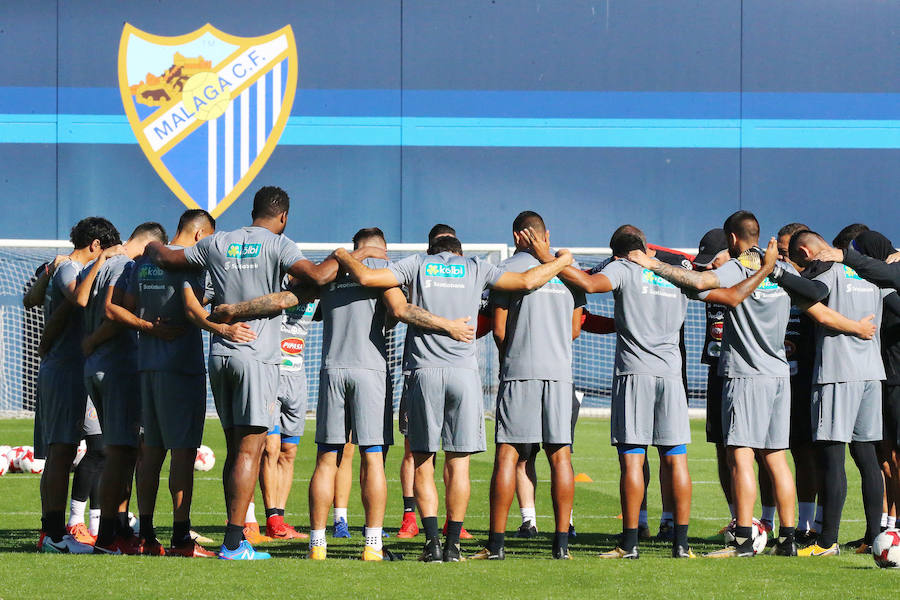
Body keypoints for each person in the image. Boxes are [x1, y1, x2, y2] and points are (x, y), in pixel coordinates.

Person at [144, 186, 381, 560]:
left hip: (220, 354)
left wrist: (149, 246)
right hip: (257, 357)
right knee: (250, 451)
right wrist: (349, 255)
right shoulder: (278, 244)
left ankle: (234, 535)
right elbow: (320, 276)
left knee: (235, 449)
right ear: (283, 217)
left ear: (252, 210)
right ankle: (234, 543)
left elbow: (169, 258)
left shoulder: (217, 242)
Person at [211, 226, 474, 561]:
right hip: (370, 371)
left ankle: (317, 545)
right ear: (379, 249)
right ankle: (373, 546)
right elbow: (399, 311)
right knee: (372, 457)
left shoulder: (331, 273)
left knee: (326, 459)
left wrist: (233, 310)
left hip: (332, 370)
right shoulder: (383, 273)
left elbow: (284, 299)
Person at [332, 232, 573, 562]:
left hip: (424, 373)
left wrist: (342, 254)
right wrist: (562, 261)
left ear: (430, 250)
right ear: (458, 251)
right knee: (459, 465)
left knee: (423, 462)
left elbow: (367, 278)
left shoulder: (417, 264)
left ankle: (432, 543)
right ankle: (454, 545)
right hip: (464, 376)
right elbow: (528, 281)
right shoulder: (475, 266)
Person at [628, 211, 808, 557]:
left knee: (740, 457)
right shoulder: (784, 271)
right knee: (776, 458)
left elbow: (699, 283)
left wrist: (653, 265)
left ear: (733, 239)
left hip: (745, 375)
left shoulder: (739, 268)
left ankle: (743, 540)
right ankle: (788, 540)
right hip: (778, 373)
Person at [104, 210, 222, 557]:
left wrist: (149, 326)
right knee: (183, 454)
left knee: (151, 453)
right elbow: (194, 307)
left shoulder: (143, 263)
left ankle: (146, 534)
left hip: (147, 366)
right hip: (181, 368)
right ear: (200, 234)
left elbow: (125, 307)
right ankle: (182, 538)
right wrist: (220, 323)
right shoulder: (191, 263)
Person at [471, 211, 584, 560]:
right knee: (560, 456)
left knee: (508, 455)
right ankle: (561, 545)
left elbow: (499, 330)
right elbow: (575, 329)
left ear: (517, 236)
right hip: (560, 374)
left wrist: (516, 354)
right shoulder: (570, 272)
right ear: (545, 235)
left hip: (520, 371)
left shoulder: (506, 270)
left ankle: (496, 545)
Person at [793, 231, 899, 555]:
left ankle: (827, 541)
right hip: (871, 373)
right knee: (867, 457)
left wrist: (782, 276)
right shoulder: (874, 276)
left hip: (837, 372)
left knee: (832, 456)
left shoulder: (831, 269)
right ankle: (874, 537)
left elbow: (813, 291)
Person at [77, 222, 168, 555]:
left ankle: (119, 528)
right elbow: (114, 312)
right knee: (119, 451)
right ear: (148, 246)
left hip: (97, 367)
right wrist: (95, 340)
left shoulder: (97, 265)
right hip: (116, 366)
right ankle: (107, 536)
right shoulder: (126, 266)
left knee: (122, 450)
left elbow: (83, 302)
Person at [32, 217, 119, 553]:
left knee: (97, 446)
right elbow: (79, 299)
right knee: (62, 450)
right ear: (96, 245)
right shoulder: (69, 267)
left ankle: (77, 526)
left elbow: (33, 300)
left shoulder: (66, 268)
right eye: (105, 250)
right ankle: (53, 534)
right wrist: (101, 261)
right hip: (63, 370)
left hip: (78, 370)